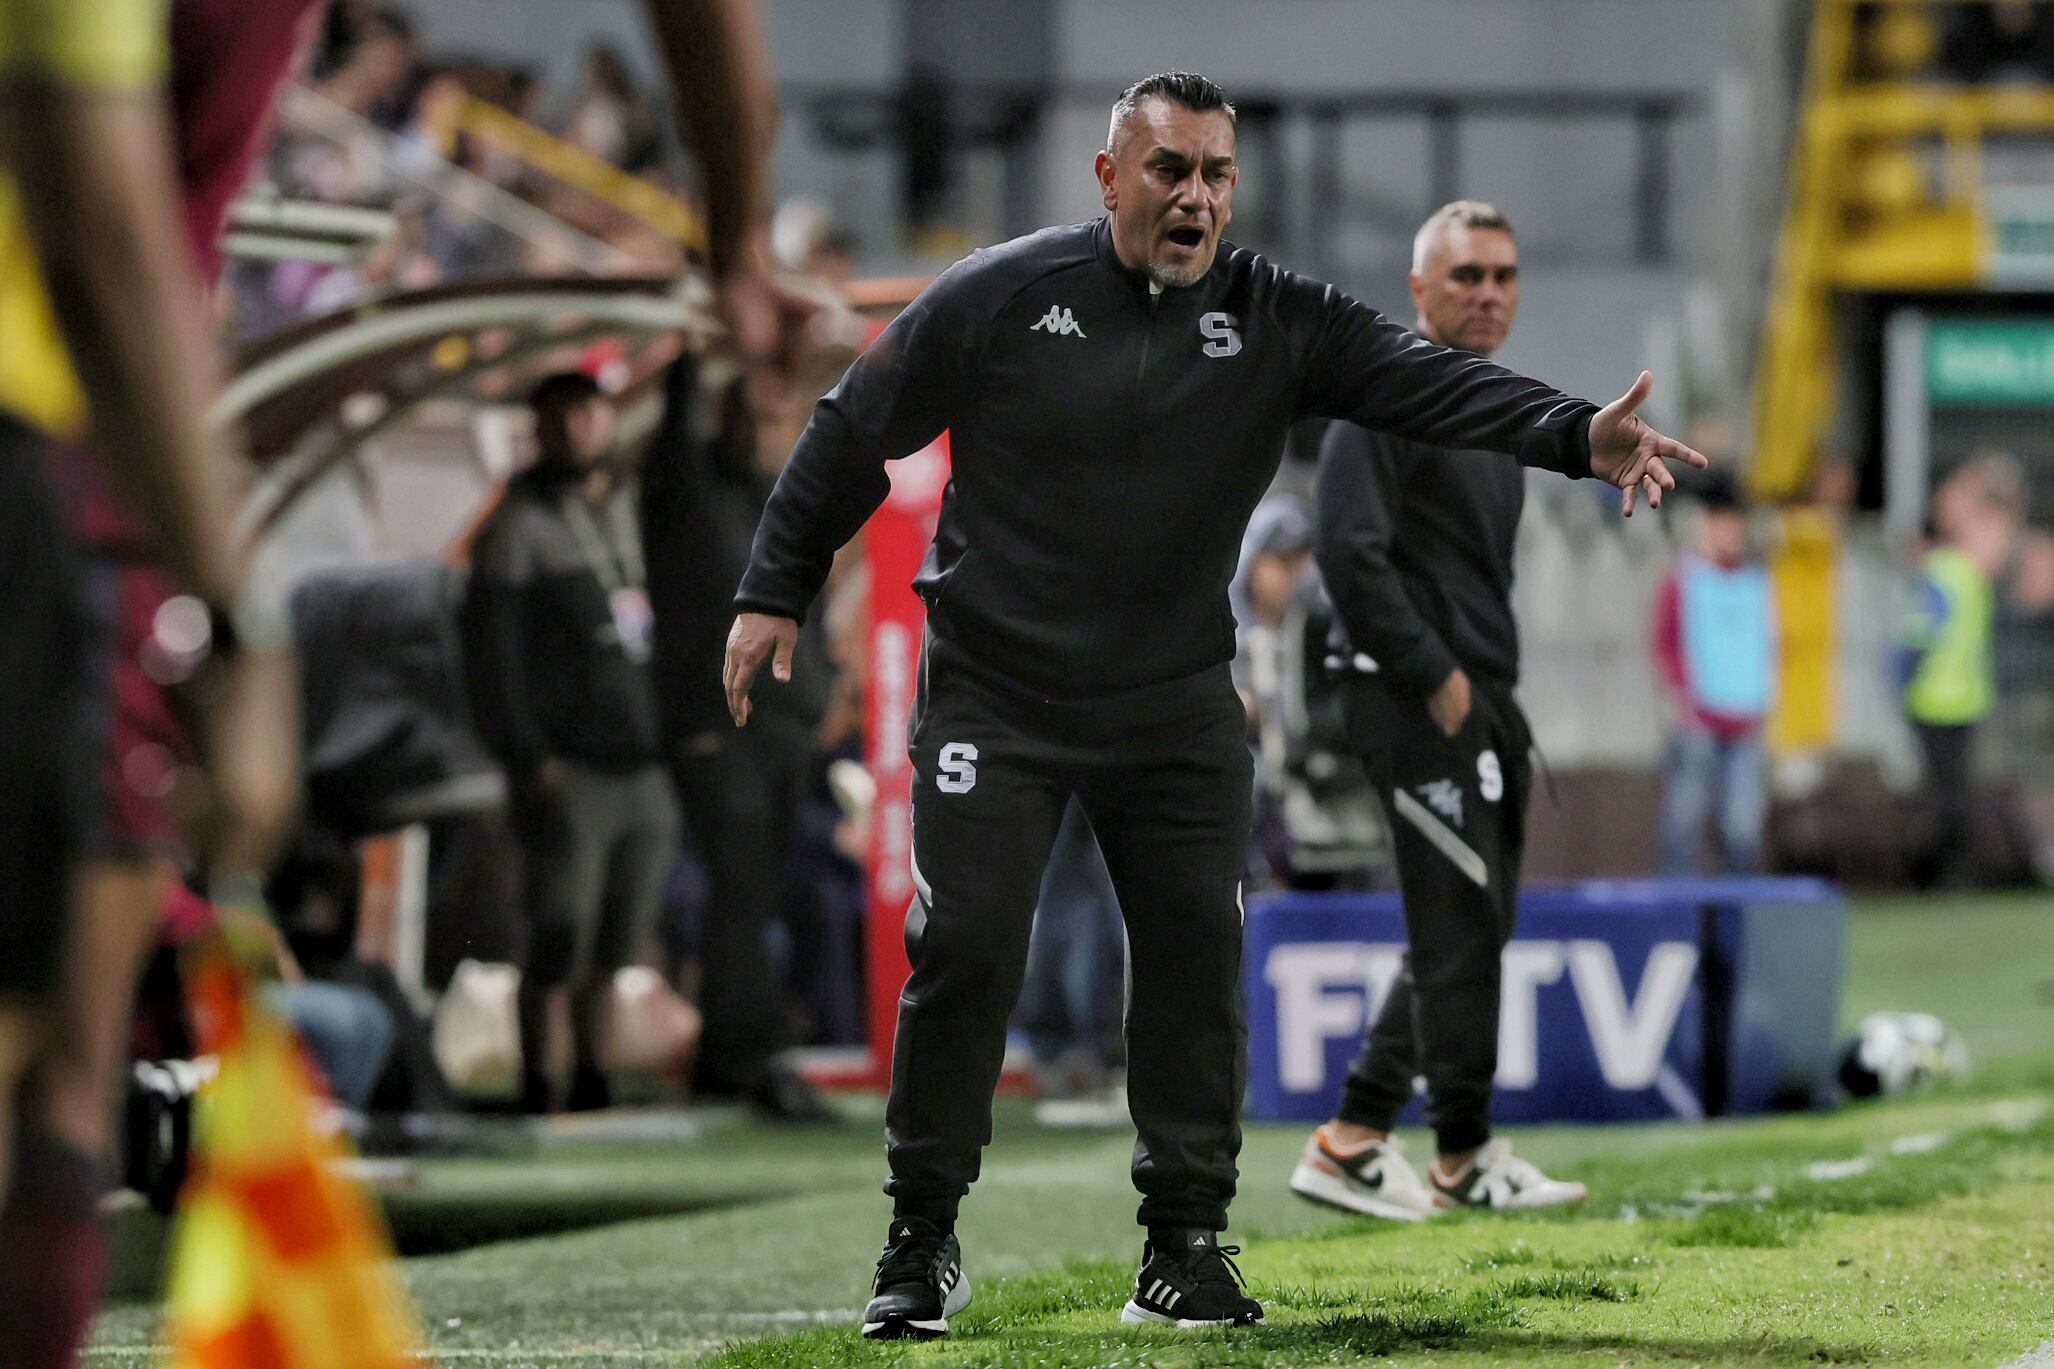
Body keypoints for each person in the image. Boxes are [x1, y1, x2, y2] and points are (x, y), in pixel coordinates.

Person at [721, 74, 1706, 1338]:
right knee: (966, 948)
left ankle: (1182, 1246)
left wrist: (1579, 435)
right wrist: (773, 589)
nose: (1193, 198)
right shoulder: (1002, 295)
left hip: (1174, 701)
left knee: (1194, 958)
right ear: (1107, 176)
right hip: (998, 692)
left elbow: (1428, 382)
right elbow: (853, 427)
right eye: (1168, 170)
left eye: (1214, 177)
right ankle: (920, 1239)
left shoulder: (1275, 316)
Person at [1288, 200, 1590, 1224]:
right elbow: (1346, 552)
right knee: (1457, 922)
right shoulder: (1383, 401)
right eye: (1465, 276)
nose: (1488, 293)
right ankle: (1377, 1140)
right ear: (1419, 289)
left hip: (1474, 700)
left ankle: (1420, 1149)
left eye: (1502, 275)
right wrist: (1436, 675)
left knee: (1475, 922)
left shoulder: (1490, 409)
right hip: (1413, 696)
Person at [465, 374, 682, 1113]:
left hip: (645, 760)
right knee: (561, 922)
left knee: (621, 932)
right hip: (570, 765)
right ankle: (537, 1076)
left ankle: (592, 1074)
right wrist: (529, 756)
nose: (574, 431)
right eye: (555, 418)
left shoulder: (630, 504)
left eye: (585, 414)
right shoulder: (516, 525)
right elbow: (491, 656)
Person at [1900, 454, 2021, 886]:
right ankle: (1951, 870)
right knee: (1953, 792)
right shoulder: (1969, 572)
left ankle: (1944, 873)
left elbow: (1919, 635)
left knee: (1944, 793)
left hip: (1936, 697)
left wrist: (1899, 677)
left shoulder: (1941, 571)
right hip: (1961, 696)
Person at [1652, 475, 1778, 876]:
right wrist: (1679, 699)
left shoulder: (1756, 580)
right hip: (1698, 720)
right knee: (1683, 821)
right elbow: (1666, 644)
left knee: (1743, 828)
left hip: (1745, 718)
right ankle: (1674, 910)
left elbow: (1770, 644)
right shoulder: (1684, 579)